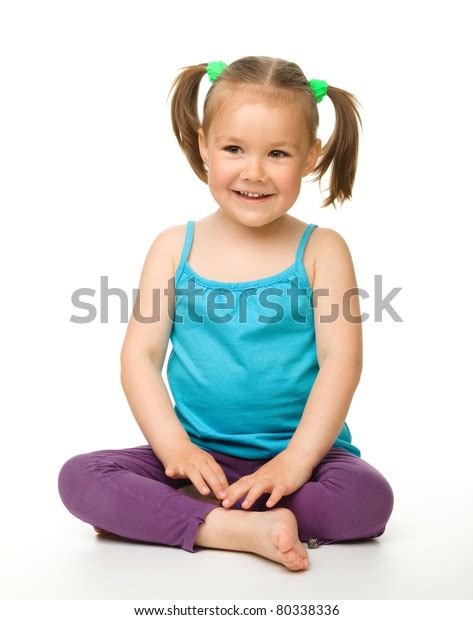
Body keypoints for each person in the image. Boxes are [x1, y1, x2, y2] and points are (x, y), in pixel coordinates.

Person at [58, 56, 394, 572]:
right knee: (81, 478)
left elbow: (341, 362)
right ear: (204, 146)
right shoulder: (174, 247)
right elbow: (140, 357)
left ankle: (179, 517)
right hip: (198, 460)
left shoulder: (322, 250)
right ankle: (234, 526)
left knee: (366, 502)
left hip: (303, 457)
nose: (253, 172)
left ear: (310, 157)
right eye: (234, 149)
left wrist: (297, 461)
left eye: (278, 153)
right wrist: (176, 450)